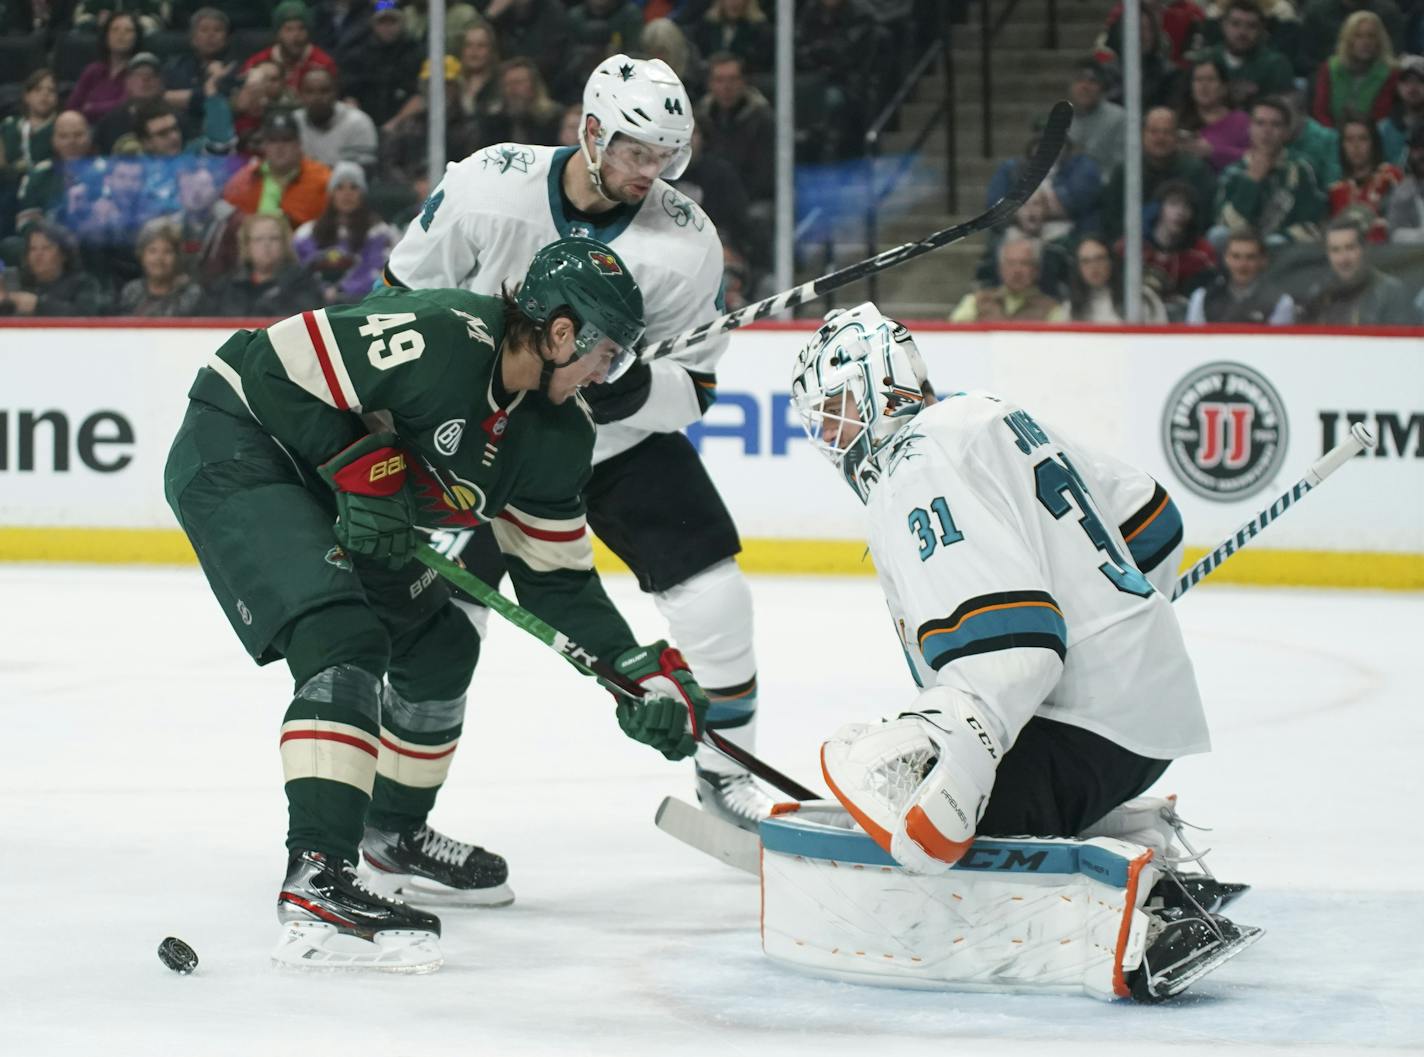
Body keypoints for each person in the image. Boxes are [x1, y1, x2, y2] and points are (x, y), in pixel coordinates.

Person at [163, 236, 711, 971]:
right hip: (241, 447)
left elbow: (557, 578)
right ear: (558, 331)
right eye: (604, 351)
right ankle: (318, 875)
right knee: (342, 637)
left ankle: (392, 831)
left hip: (346, 498)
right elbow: (261, 366)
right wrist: (365, 468)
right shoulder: (444, 333)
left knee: (442, 643)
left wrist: (634, 669)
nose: (606, 373)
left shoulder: (560, 434)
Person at [788, 302, 1249, 1000]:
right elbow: (1154, 519)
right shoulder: (986, 413)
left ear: (878, 383)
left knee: (921, 824)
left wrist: (959, 758)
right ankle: (1132, 830)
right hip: (1145, 714)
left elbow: (1015, 648)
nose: (831, 434)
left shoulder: (912, 462)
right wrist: (1114, 614)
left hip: (1087, 728)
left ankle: (1133, 902)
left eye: (836, 408)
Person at [382, 55, 773, 831]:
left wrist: (630, 390)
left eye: (666, 155)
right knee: (441, 634)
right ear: (591, 131)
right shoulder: (486, 185)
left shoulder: (688, 244)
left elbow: (692, 388)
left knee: (718, 596)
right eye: (636, 151)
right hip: (483, 446)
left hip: (606, 441)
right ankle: (395, 819)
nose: (651, 171)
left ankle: (728, 776)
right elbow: (398, 305)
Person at [1211, 95, 1328, 248]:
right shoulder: (1233, 172)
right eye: (1260, 123)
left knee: (1276, 243)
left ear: (1286, 132)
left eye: (1275, 125)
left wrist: (1273, 241)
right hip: (1241, 252)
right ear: (1250, 129)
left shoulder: (1303, 169)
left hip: (1285, 251)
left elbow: (1313, 223)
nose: (1266, 131)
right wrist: (1251, 182)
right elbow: (1224, 224)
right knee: (1217, 235)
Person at [292, 160, 396, 303]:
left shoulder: (378, 232)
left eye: (354, 187)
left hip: (359, 303)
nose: (347, 194)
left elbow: (377, 272)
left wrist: (342, 290)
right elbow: (301, 271)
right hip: (313, 303)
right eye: (339, 188)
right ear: (331, 194)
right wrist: (322, 291)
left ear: (363, 194)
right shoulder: (306, 233)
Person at [223, 109, 332, 228]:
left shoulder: (323, 180)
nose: (279, 148)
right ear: (264, 145)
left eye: (286, 140)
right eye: (273, 141)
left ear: (299, 144)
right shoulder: (244, 179)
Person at [201, 211, 325, 315]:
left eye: (274, 238)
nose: (266, 245)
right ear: (247, 246)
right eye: (258, 239)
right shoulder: (226, 286)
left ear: (285, 244)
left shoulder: (303, 283)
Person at [1300, 214, 1417, 320]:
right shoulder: (1318, 294)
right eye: (1335, 250)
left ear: (1365, 249)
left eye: (1350, 248)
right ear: (1328, 254)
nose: (1343, 259)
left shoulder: (1391, 293)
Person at [1185, 225, 1296, 321]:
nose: (1242, 265)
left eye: (1250, 257)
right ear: (1226, 258)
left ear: (1263, 260)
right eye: (1236, 257)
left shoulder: (1281, 303)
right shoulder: (1202, 298)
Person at [1311, 10, 1400, 127]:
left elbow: (1381, 115)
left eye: (1371, 36)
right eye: (1358, 36)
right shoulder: (1329, 68)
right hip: (1331, 135)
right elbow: (1320, 111)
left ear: (1379, 41)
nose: (1365, 42)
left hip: (1373, 136)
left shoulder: (1391, 73)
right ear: (1348, 40)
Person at [949, 236, 1070, 321]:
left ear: (1036, 270)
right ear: (1001, 269)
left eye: (1024, 263)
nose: (1017, 270)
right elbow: (954, 336)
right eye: (1011, 263)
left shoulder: (1051, 310)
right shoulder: (975, 302)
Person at [0, 221, 107, 317]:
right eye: (33, 249)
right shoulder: (15, 282)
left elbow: (84, 317)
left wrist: (38, 306)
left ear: (64, 254)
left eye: (46, 248)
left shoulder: (83, 284)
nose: (38, 255)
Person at [1328, 115, 1404, 238]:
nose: (1356, 146)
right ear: (1342, 145)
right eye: (1349, 139)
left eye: (1363, 139)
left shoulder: (1390, 177)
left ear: (1374, 142)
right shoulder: (1336, 191)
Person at [66, 12, 144, 125]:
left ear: (136, 37)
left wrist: (90, 107)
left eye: (128, 30)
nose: (121, 34)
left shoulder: (139, 72)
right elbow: (72, 107)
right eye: (115, 29)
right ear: (106, 35)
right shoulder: (93, 70)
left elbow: (123, 108)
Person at [1070, 234, 1169, 322]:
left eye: (1099, 258)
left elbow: (1162, 339)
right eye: (1085, 261)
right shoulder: (1071, 308)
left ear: (1111, 261)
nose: (1093, 266)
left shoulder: (1141, 298)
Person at [1177, 56, 1251, 172]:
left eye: (1211, 80)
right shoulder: (1177, 120)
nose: (1204, 86)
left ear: (1224, 87)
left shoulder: (1242, 121)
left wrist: (1212, 152)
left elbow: (1253, 157)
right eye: (1198, 80)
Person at [294, 67, 378, 169]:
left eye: (324, 91)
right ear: (300, 95)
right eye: (309, 91)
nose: (317, 97)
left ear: (336, 93)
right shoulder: (293, 122)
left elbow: (364, 172)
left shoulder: (358, 122)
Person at [116, 218, 205, 316]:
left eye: (168, 251)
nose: (159, 258)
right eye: (152, 251)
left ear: (178, 256)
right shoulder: (131, 291)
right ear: (142, 255)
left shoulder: (191, 296)